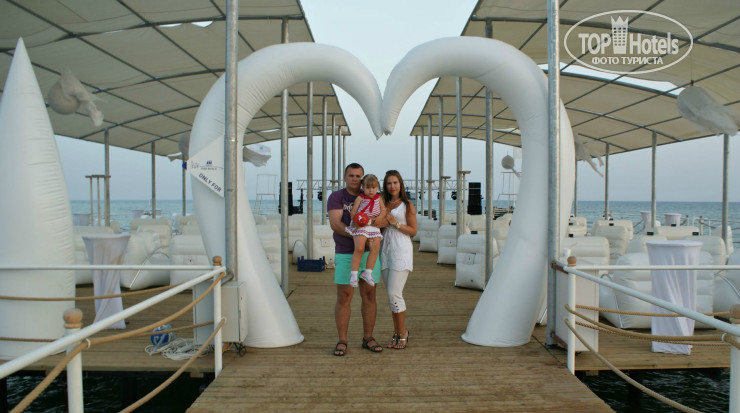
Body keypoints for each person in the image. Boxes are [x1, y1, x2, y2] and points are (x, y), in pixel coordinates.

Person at [327, 163, 383, 356]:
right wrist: (359, 235)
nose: (355, 179)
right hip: (345, 252)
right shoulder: (337, 197)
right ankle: (342, 340)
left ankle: (368, 337)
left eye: (358, 176)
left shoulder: (373, 195)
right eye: (351, 175)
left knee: (369, 295)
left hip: (369, 253)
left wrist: (369, 231)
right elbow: (335, 224)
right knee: (344, 296)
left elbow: (383, 218)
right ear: (345, 177)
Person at [379, 170, 417, 349]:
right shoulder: (383, 203)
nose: (392, 186)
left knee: (394, 293)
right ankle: (397, 332)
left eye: (395, 182)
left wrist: (396, 223)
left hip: (401, 249)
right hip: (385, 250)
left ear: (400, 184)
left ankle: (403, 333)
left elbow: (413, 230)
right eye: (389, 183)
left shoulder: (407, 205)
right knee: (390, 295)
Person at [345, 174, 386, 288]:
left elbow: (383, 210)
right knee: (359, 248)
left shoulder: (379, 198)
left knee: (375, 248)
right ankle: (353, 274)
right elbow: (353, 212)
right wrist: (356, 220)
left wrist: (380, 218)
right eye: (368, 187)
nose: (371, 190)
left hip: (373, 225)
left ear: (377, 187)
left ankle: (367, 272)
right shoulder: (360, 198)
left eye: (373, 187)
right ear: (363, 187)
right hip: (361, 225)